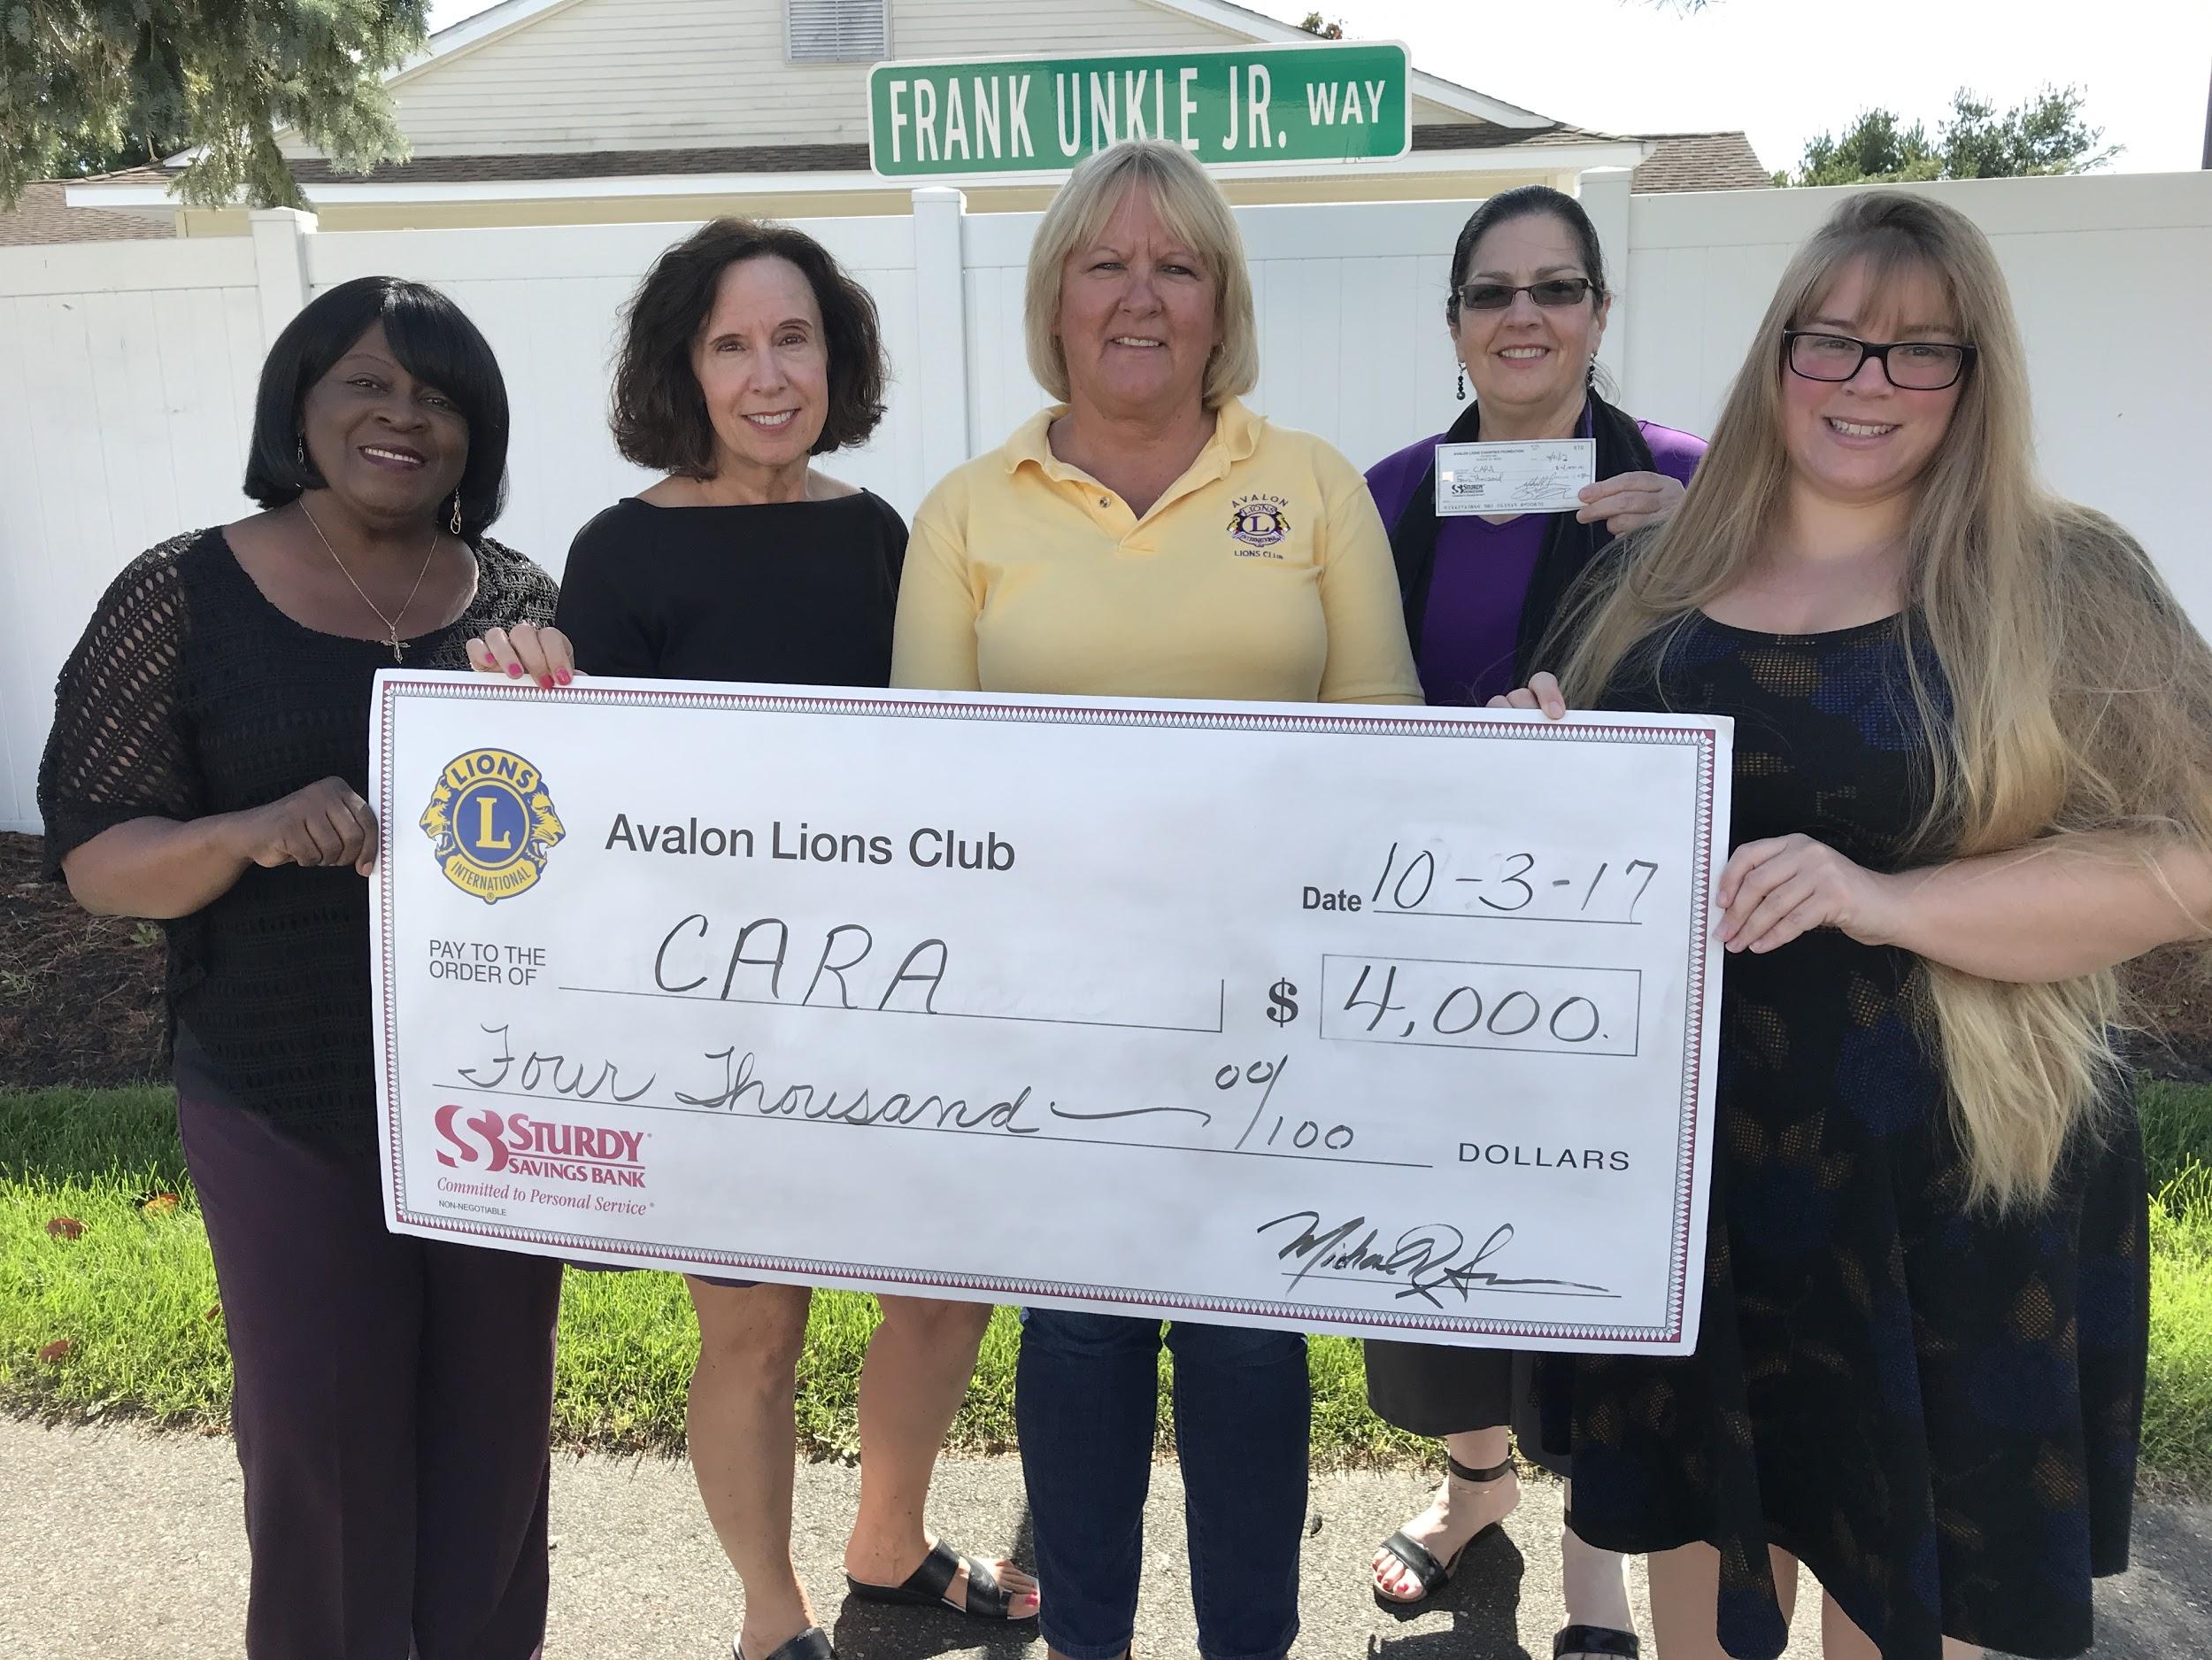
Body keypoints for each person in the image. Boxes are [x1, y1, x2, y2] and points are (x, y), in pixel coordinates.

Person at [1492, 189, 2200, 1658]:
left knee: (1897, 1610)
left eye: (1918, 353)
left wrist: (1886, 900)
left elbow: (2193, 857)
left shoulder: (2062, 580)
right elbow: (1582, 870)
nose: (1867, 384)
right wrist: (1540, 767)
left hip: (1948, 1192)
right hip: (1692, 1195)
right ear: (1777, 358)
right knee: (1696, 1574)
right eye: (1834, 342)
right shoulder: (1651, 584)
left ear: (1974, 378)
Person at [469, 218, 1037, 1660]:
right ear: (686, 368)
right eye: (732, 344)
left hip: (889, 992)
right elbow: (592, 805)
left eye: (794, 338)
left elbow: (939, 764)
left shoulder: (884, 536)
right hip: (707, 1012)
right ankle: (771, 1614)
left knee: (941, 1292)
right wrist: (533, 682)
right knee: (753, 1331)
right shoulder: (619, 551)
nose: (768, 373)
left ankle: (887, 1546)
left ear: (834, 356)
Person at [890, 137, 1421, 1660]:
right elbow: (928, 780)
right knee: (1079, 1336)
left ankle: (1254, 1643)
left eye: (1176, 265)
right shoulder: (972, 509)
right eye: (1105, 265)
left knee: (1255, 1344)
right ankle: (1090, 1644)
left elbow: (1380, 737)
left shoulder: (1309, 483)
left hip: (1267, 1002)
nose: (1140, 295)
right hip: (1055, 1011)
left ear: (1220, 303)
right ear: (1056, 300)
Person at [36, 277, 563, 1659]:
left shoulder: (516, 599)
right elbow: (93, 857)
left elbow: (588, 836)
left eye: (440, 397)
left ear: (478, 433)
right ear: (300, 404)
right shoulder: (183, 591)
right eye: (367, 384)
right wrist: (247, 831)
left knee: (497, 1453)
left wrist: (563, 693)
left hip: (500, 1101)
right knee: (320, 1453)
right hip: (283, 1086)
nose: (404, 417)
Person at [1360, 184, 1707, 1660]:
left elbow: (1791, 648)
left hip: (1623, 954)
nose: (1524, 317)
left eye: (1556, 290)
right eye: (1492, 293)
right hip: (1438, 942)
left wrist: (1702, 546)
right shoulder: (1386, 492)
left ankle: (1595, 1559)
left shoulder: (1701, 479)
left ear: (1600, 315)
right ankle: (1478, 1489)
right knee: (1449, 1240)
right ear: (1452, 324)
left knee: (1596, 1241)